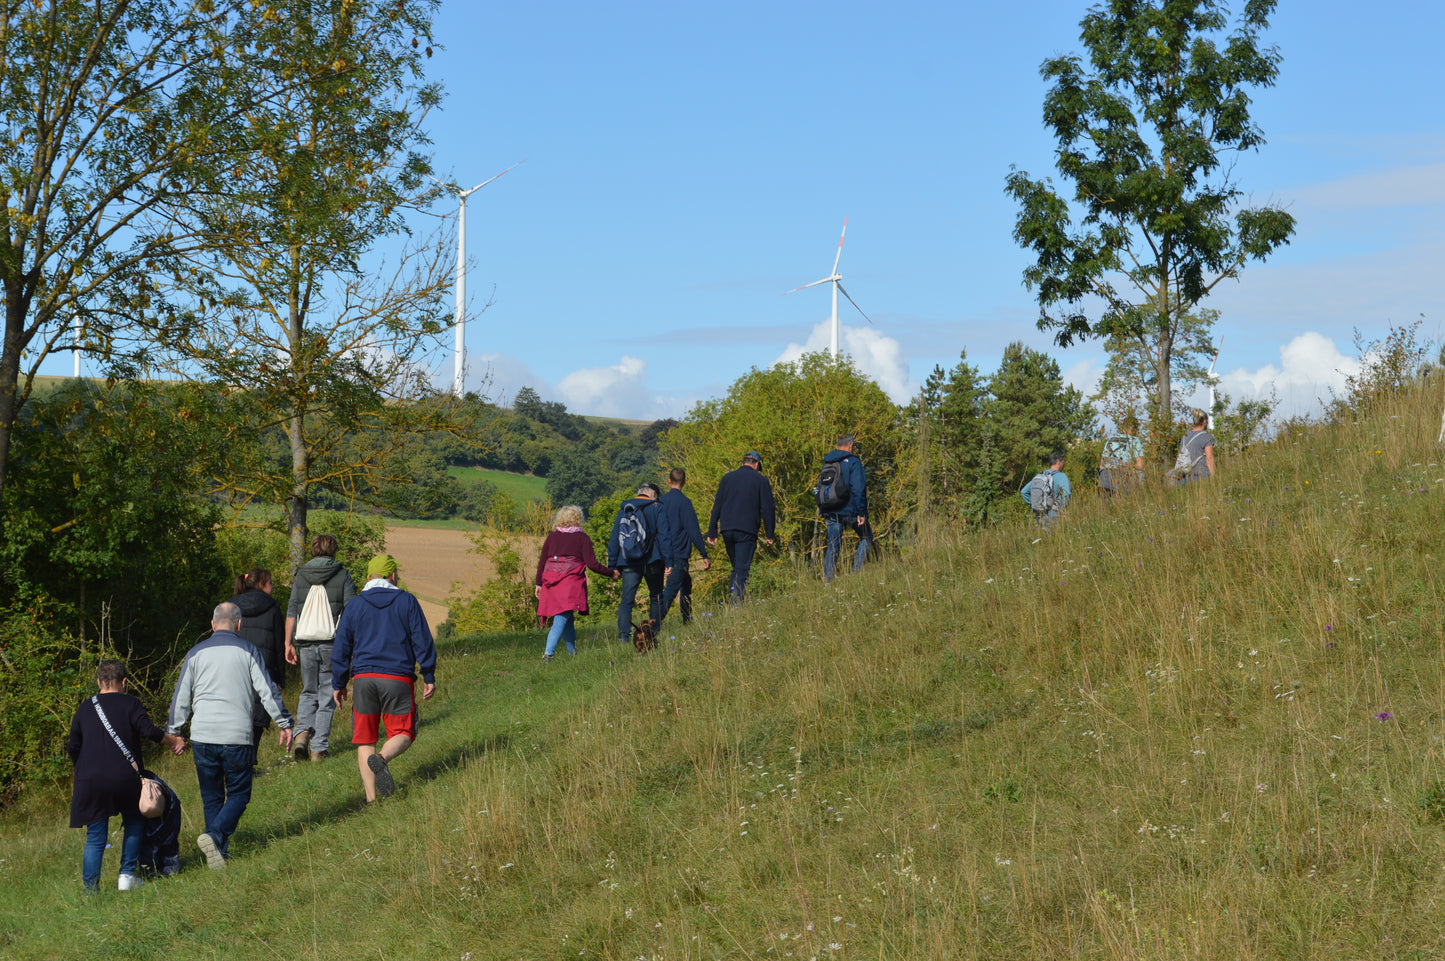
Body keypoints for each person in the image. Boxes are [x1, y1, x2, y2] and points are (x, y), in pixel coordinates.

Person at [167, 602, 294, 869]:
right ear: (239, 625)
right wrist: (284, 722)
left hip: (203, 736)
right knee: (239, 794)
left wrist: (174, 732)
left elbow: (181, 697)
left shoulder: (195, 653)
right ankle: (215, 838)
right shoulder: (248, 650)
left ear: (212, 624)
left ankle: (218, 852)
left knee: (212, 796)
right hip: (236, 735)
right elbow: (266, 690)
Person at [67, 659, 184, 891]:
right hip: (124, 778)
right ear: (124, 682)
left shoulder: (84, 707)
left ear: (99, 681)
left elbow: (73, 747)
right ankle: (126, 877)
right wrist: (173, 741)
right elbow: (148, 731)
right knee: (134, 821)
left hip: (90, 781)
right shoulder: (131, 703)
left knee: (95, 837)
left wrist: (85, 770)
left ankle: (91, 892)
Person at [331, 554, 437, 803]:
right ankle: (381, 759)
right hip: (397, 678)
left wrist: (338, 683)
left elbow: (342, 647)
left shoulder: (355, 605)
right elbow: (421, 639)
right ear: (393, 576)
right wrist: (428, 673)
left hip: (363, 679)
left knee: (365, 738)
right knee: (405, 732)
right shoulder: (407, 601)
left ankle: (371, 800)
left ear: (368, 578)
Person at [284, 535, 356, 762]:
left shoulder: (301, 574)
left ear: (313, 550)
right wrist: (350, 645)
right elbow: (350, 612)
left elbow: (292, 610)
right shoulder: (343, 574)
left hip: (304, 642)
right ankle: (318, 750)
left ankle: (301, 736)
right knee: (327, 695)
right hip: (331, 643)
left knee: (308, 691)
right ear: (334, 550)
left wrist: (288, 642)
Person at [534, 504, 619, 659]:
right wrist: (611, 573)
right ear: (578, 519)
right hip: (570, 584)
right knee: (561, 617)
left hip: (551, 583)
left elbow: (542, 561)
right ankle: (548, 654)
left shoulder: (552, 537)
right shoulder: (582, 538)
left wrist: (538, 583)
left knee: (568, 618)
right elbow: (592, 564)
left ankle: (573, 654)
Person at [706, 450, 776, 602]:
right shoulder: (761, 480)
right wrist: (770, 533)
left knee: (737, 568)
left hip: (727, 529)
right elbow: (768, 509)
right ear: (756, 464)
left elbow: (717, 505)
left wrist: (712, 531)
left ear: (743, 462)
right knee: (742, 569)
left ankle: (734, 602)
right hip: (746, 530)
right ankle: (736, 606)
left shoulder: (727, 478)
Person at [229, 567, 285, 753]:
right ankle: (249, 761)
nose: (273, 586)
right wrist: (279, 678)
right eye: (270, 583)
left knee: (236, 713)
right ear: (261, 585)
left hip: (235, 666)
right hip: (264, 667)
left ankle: (234, 760)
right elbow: (279, 644)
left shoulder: (230, 606)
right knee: (258, 716)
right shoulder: (272, 606)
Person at [607, 482, 669, 643]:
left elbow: (615, 538)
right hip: (653, 560)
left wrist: (613, 565)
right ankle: (654, 632)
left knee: (627, 600)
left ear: (639, 493)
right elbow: (664, 536)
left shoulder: (625, 509)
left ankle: (623, 636)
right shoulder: (657, 507)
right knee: (656, 596)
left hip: (628, 562)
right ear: (652, 495)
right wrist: (669, 561)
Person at [657, 467, 711, 625]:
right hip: (678, 552)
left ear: (669, 481)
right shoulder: (685, 503)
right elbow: (693, 530)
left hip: (662, 551)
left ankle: (687, 620)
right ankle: (653, 626)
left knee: (686, 583)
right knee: (671, 591)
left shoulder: (660, 502)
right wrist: (704, 554)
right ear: (685, 482)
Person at [820, 434, 871, 582]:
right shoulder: (854, 462)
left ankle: (828, 580)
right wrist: (861, 512)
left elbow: (820, 489)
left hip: (830, 511)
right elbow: (858, 488)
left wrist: (824, 512)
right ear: (850, 446)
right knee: (867, 537)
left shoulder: (827, 462)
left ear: (837, 446)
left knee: (833, 545)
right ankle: (856, 573)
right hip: (849, 511)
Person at [1098, 414, 1146, 496]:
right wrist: (1131, 465)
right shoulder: (1135, 440)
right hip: (1122, 475)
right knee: (1123, 505)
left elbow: (1101, 464)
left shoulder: (1111, 439)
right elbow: (1140, 465)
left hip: (1104, 476)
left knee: (1105, 505)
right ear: (1135, 428)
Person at [1021, 451, 1072, 526]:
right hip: (1054, 515)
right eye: (1063, 462)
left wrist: (1036, 505)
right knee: (1055, 536)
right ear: (1058, 462)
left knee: (1044, 535)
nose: (1063, 464)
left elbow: (1024, 492)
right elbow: (1067, 493)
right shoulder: (1061, 476)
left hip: (1040, 515)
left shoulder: (1040, 475)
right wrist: (1061, 507)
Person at [1174, 408, 1217, 484]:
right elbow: (1209, 458)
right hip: (1201, 475)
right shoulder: (1206, 436)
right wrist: (1213, 477)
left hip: (1185, 476)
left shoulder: (1185, 436)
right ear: (1204, 421)